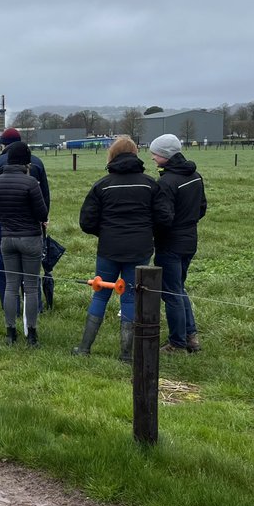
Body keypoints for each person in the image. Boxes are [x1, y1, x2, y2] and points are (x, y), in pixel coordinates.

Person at [75, 135, 172, 361]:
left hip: (108, 249)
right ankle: (126, 354)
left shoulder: (102, 185)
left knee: (100, 295)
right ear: (136, 154)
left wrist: (105, 232)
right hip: (139, 249)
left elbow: (86, 221)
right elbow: (164, 218)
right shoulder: (150, 184)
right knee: (129, 297)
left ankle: (84, 348)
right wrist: (146, 232)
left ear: (112, 155)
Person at [0, 127, 50, 305]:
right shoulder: (37, 163)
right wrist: (43, 218)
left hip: (3, 222)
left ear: (4, 145)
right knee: (31, 268)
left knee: (4, 266)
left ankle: (11, 306)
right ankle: (34, 306)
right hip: (32, 222)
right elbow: (44, 194)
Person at [149, 134, 207, 353]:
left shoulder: (166, 182)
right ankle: (191, 336)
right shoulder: (195, 176)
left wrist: (155, 234)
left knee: (171, 293)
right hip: (190, 239)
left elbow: (163, 219)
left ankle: (177, 342)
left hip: (170, 244)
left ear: (165, 155)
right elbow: (202, 208)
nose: (153, 158)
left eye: (155, 154)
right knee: (179, 288)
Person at [0, 142, 48, 347]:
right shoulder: (30, 183)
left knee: (11, 285)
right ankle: (31, 334)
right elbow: (42, 213)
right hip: (30, 238)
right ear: (26, 162)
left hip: (7, 238)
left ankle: (10, 332)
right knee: (30, 287)